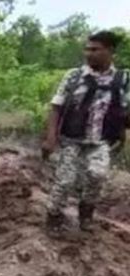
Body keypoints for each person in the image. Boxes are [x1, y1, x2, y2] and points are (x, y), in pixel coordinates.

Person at [42, 30, 130, 233]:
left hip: (101, 140)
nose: (88, 54)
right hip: (71, 138)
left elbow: (124, 109)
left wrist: (122, 133)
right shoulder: (74, 76)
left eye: (95, 50)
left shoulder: (123, 79)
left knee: (97, 175)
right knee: (65, 180)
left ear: (110, 51)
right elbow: (56, 107)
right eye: (87, 49)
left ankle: (86, 213)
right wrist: (50, 138)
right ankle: (54, 216)